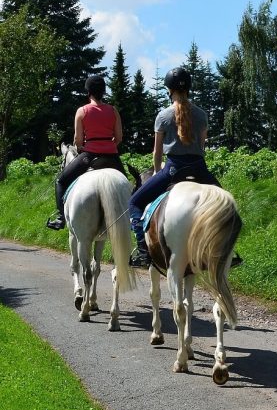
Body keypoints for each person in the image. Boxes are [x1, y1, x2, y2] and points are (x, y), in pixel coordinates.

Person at [128, 66, 222, 267]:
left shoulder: (163, 116)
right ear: (189, 88)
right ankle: (224, 251)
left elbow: (157, 152)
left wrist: (156, 172)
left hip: (172, 169)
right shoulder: (202, 115)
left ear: (169, 90)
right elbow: (202, 145)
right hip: (199, 168)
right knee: (225, 205)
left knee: (134, 203)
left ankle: (142, 251)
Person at [47, 75, 126, 230]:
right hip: (112, 157)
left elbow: (77, 140)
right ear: (103, 91)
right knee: (129, 186)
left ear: (88, 92)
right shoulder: (113, 110)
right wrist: (108, 147)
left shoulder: (82, 111)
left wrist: (84, 147)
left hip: (89, 156)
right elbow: (119, 138)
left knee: (60, 181)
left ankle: (61, 218)